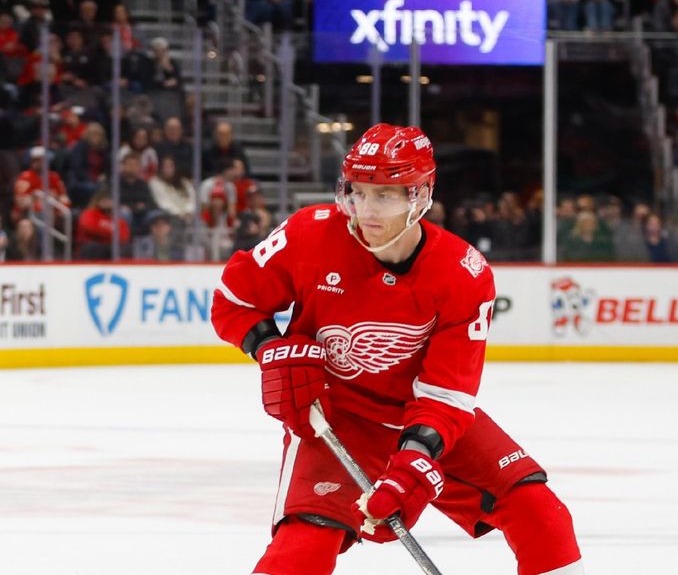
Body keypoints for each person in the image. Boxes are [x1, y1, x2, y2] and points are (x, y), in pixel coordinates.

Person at [211, 124, 584, 575]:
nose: (365, 210)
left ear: (420, 195)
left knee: (539, 513)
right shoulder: (309, 234)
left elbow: (447, 394)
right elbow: (233, 301)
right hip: (336, 418)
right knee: (305, 547)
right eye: (358, 191)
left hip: (420, 416)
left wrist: (412, 462)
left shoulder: (462, 273)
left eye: (384, 195)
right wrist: (270, 348)